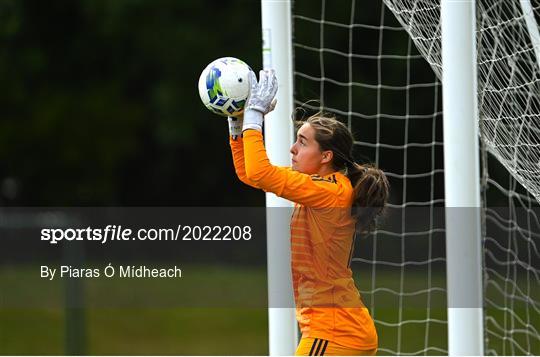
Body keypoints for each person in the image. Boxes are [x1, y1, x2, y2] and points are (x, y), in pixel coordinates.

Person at [227, 69, 389, 356]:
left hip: (336, 334)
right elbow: (249, 174)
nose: (292, 149)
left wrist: (254, 117)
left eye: (302, 142)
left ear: (326, 156)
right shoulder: (324, 187)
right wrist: (237, 125)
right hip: (341, 331)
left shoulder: (330, 192)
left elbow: (259, 172)